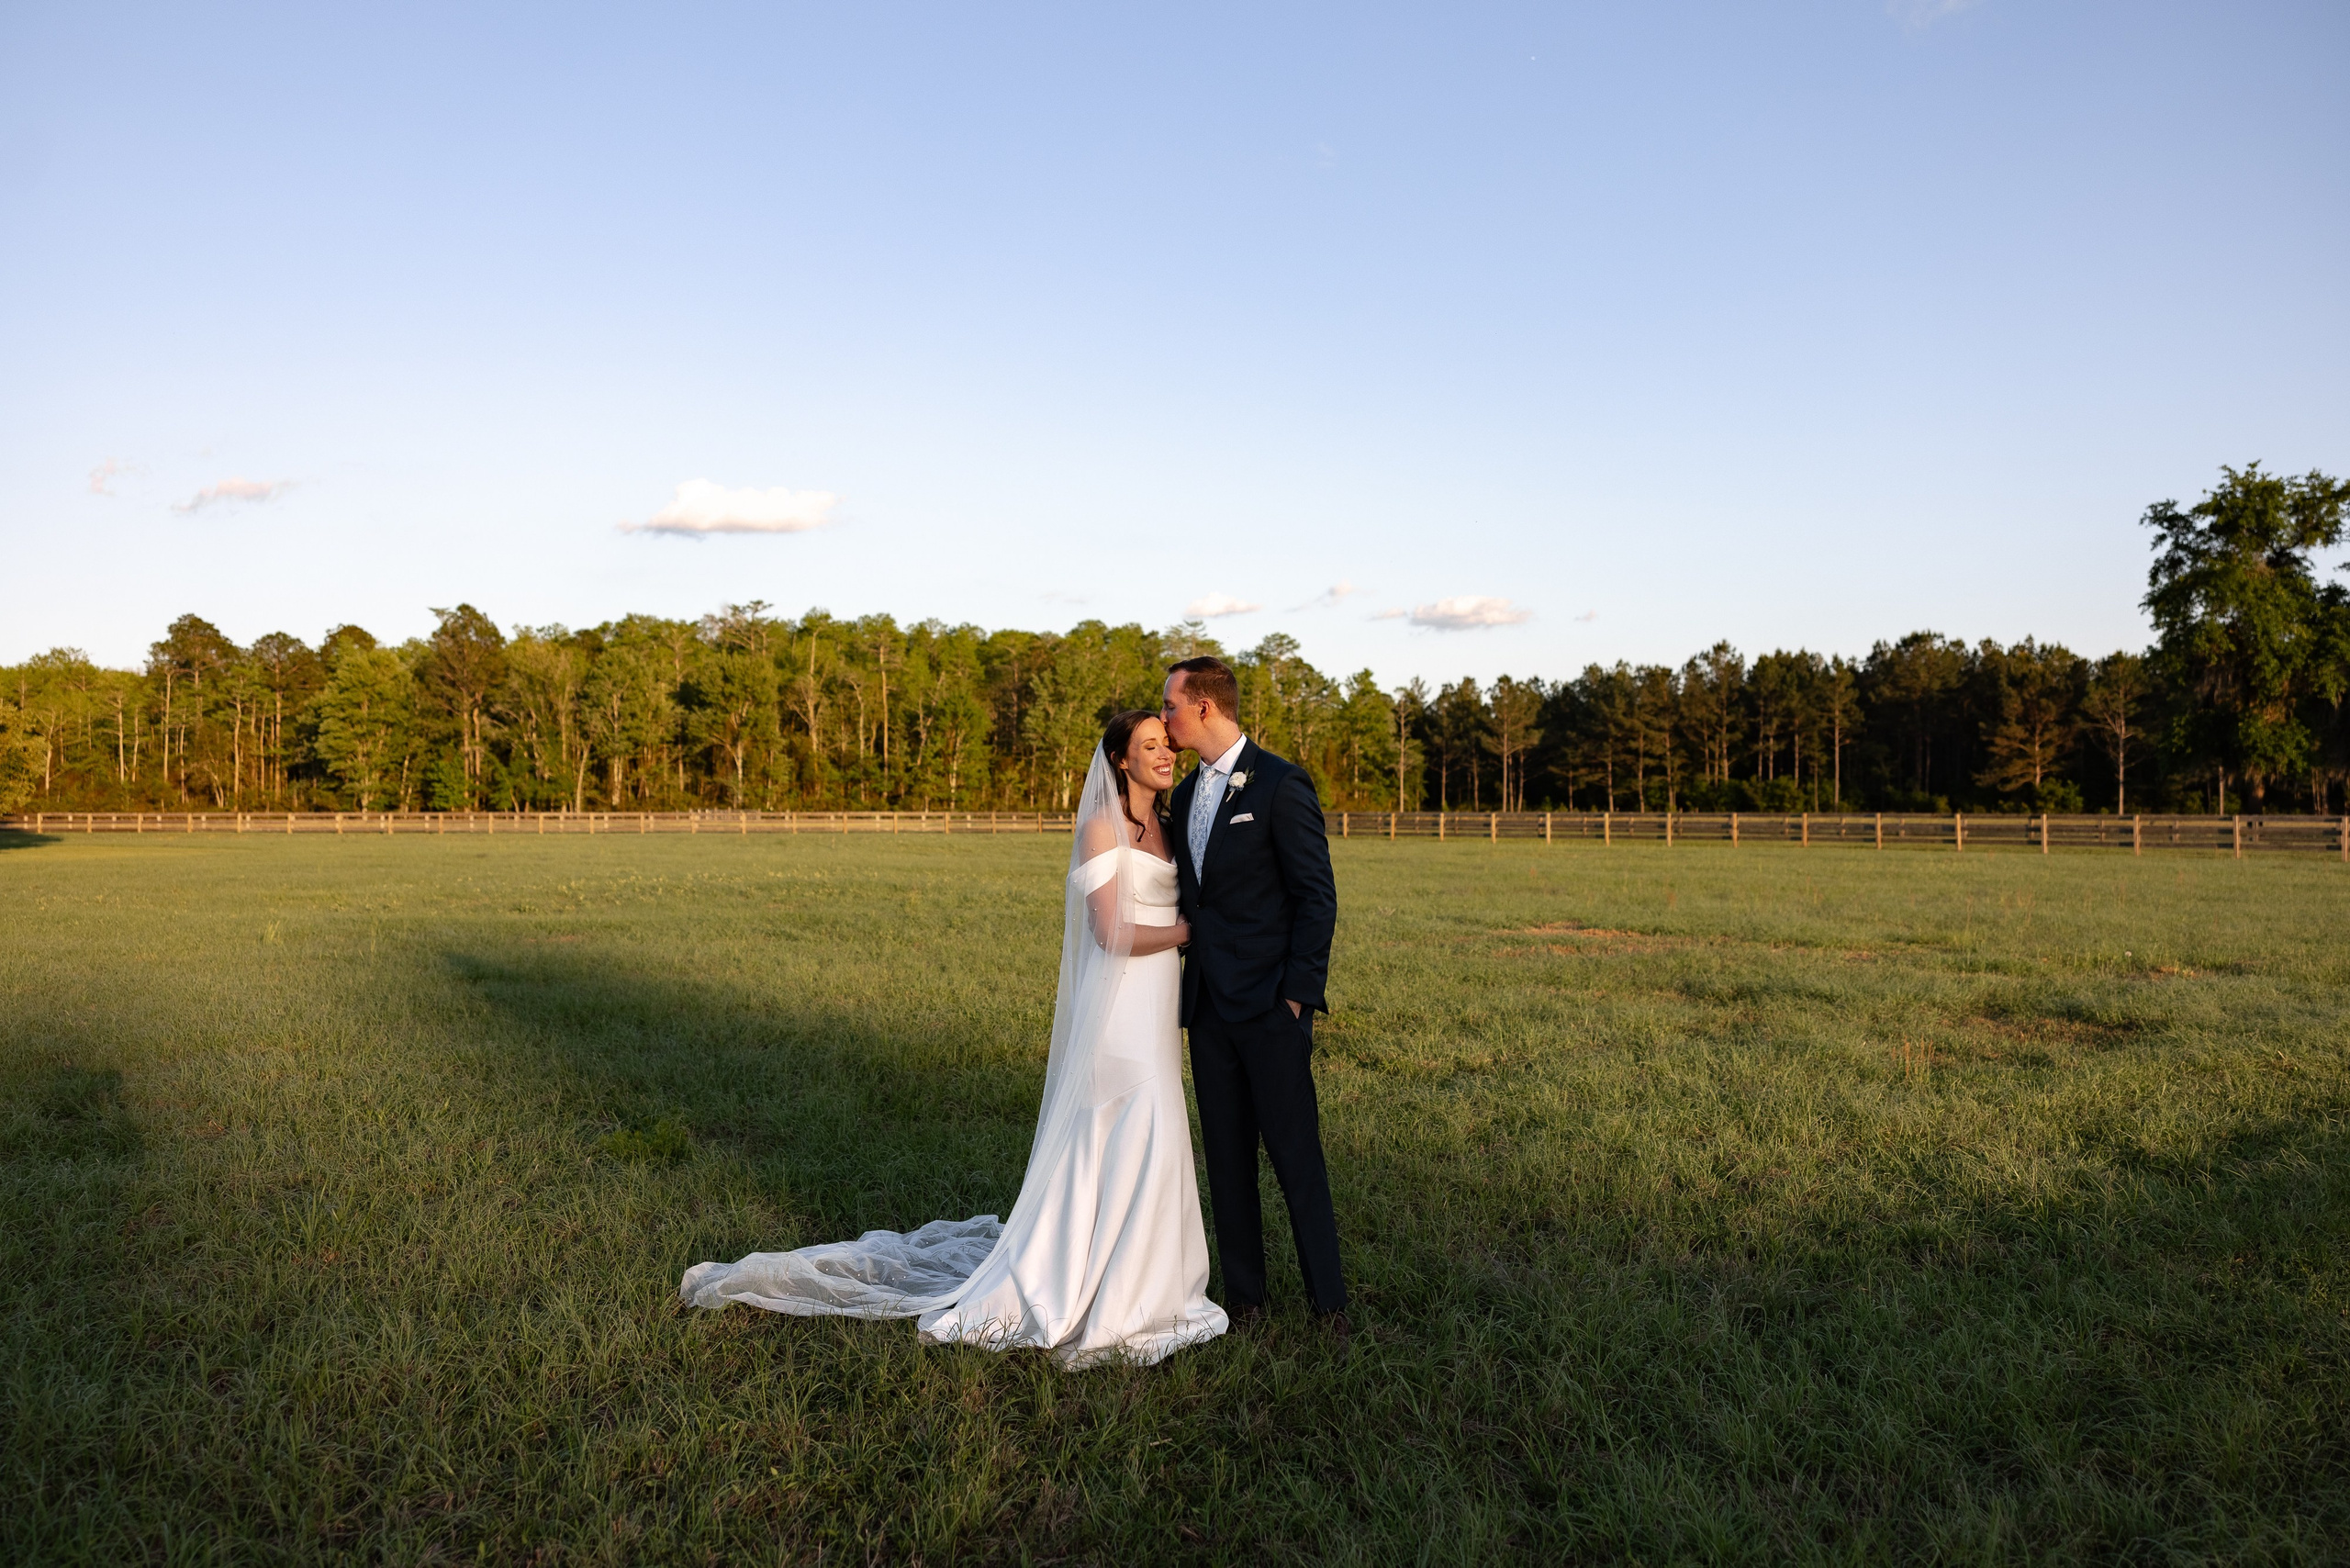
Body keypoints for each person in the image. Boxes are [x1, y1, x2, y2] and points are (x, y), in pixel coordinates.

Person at [677, 711, 1228, 1367]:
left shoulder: (1168, 825)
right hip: (1118, 1011)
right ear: (1119, 760)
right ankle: (1096, 1284)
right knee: (1129, 1123)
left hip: (1159, 1003)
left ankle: (1144, 1277)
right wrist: (1193, 933)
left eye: (1167, 744)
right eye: (1149, 745)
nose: (1165, 754)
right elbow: (1109, 933)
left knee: (1154, 1125)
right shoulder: (1101, 828)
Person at [1159, 655, 1348, 1338]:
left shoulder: (1279, 783)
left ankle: (1330, 1306)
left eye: (1170, 705)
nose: (1164, 717)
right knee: (1227, 1159)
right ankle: (1245, 1302)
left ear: (1204, 707)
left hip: (1270, 1006)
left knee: (1296, 1158)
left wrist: (1295, 998)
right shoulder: (1184, 795)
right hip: (1208, 1008)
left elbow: (1316, 897)